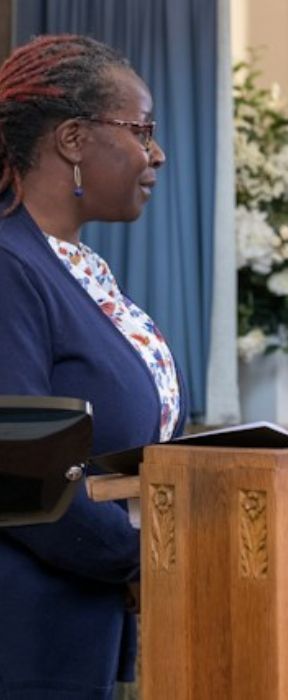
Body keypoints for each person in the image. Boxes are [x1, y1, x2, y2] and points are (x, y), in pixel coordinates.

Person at [0, 35, 186, 698]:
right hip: (27, 635)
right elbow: (19, 476)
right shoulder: (9, 267)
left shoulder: (82, 269)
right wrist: (153, 555)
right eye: (140, 130)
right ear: (73, 139)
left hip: (92, 616)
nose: (156, 153)